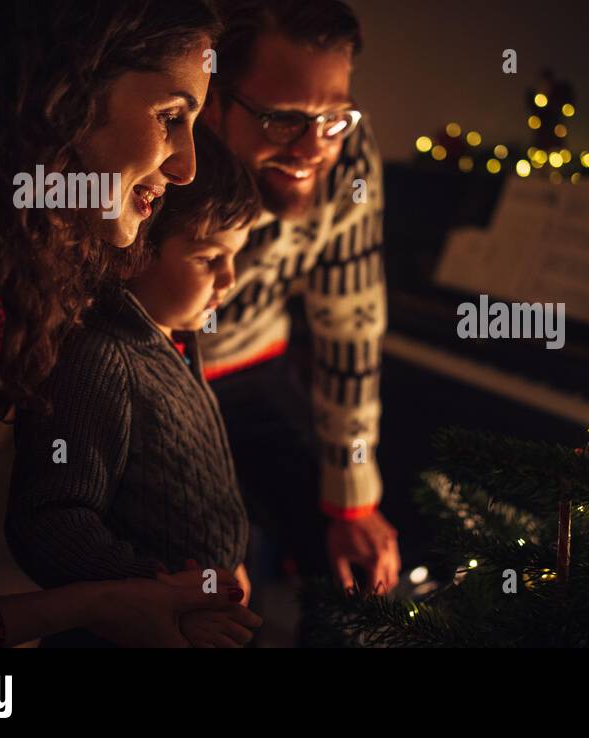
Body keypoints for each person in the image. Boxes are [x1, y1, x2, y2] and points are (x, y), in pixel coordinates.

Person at [0, 0, 252, 647]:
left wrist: (107, 602)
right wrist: (95, 604)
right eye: (170, 117)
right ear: (67, 84)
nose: (185, 167)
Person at [7, 127, 264, 648]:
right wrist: (160, 594)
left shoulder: (174, 336)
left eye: (235, 256)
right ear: (139, 249)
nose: (230, 278)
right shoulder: (98, 358)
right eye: (208, 257)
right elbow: (51, 521)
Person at [199, 0, 400, 603]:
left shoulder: (349, 156)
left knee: (354, 567)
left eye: (334, 118)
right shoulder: (167, 153)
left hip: (255, 361)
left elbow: (351, 327)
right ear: (213, 102)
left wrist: (352, 501)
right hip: (144, 377)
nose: (315, 148)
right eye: (283, 120)